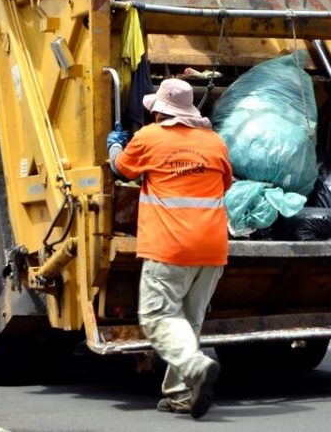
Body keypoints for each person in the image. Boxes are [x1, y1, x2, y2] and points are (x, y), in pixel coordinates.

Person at [107, 78, 233, 419]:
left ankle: (194, 365)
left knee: (157, 316)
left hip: (170, 247)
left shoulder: (149, 137)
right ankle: (179, 394)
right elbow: (224, 184)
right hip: (212, 248)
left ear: (159, 111)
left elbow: (122, 169)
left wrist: (115, 147)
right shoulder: (215, 143)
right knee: (188, 321)